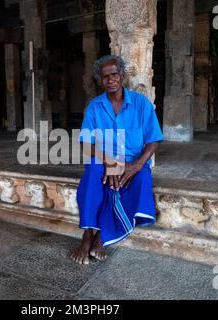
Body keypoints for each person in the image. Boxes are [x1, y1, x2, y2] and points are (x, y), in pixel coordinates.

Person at [70, 55, 163, 265]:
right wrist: (109, 162)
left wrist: (135, 166)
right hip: (104, 160)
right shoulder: (95, 107)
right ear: (100, 81)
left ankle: (103, 236)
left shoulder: (141, 104)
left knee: (141, 180)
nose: (110, 79)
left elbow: (154, 139)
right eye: (105, 77)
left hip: (133, 161)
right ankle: (87, 236)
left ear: (121, 75)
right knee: (93, 172)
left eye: (114, 74)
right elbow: (86, 143)